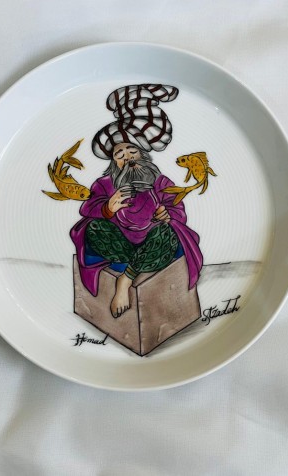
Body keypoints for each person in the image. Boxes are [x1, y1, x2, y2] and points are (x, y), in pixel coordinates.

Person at [70, 84, 203, 318]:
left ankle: (125, 280)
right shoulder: (105, 184)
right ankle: (135, 264)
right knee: (94, 228)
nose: (128, 158)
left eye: (132, 151)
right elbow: (87, 207)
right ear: (114, 163)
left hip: (153, 242)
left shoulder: (160, 181)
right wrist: (107, 208)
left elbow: (178, 210)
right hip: (122, 246)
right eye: (120, 155)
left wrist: (167, 215)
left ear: (143, 154)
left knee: (167, 234)